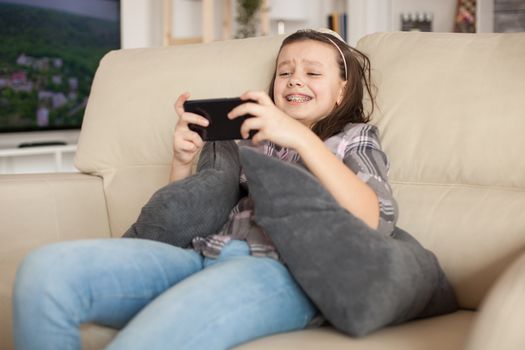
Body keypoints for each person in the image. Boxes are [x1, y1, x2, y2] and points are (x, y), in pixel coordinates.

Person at [12, 29, 397, 350]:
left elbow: (374, 219)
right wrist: (182, 160)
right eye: (285, 72)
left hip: (283, 274)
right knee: (46, 271)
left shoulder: (354, 138)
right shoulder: (250, 140)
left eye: (313, 73)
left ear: (341, 92)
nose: (295, 79)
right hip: (203, 255)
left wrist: (300, 137)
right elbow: (178, 217)